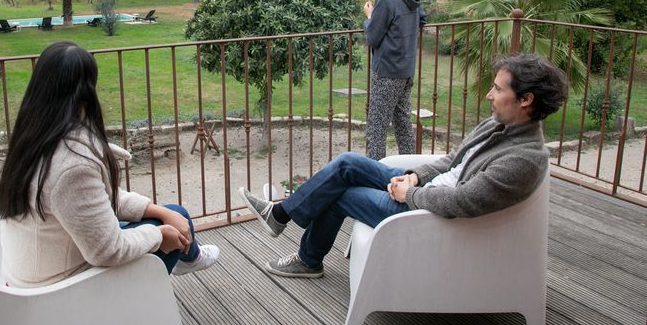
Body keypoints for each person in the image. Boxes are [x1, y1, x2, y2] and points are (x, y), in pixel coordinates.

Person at [240, 53, 568, 278]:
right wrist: (414, 175)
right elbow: (453, 162)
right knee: (347, 164)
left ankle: (308, 260)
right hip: (424, 191)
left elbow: (462, 201)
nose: (489, 95)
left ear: (526, 100)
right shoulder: (499, 125)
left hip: (428, 215)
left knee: (340, 193)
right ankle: (279, 215)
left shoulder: (523, 159)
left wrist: (408, 194)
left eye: (498, 89)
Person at [0, 41, 219, 288]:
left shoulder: (32, 138)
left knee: (174, 213)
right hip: (62, 289)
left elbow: (94, 199)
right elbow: (106, 250)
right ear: (86, 90)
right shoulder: (72, 165)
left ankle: (189, 256)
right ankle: (187, 258)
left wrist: (160, 211)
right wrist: (159, 236)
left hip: (34, 273)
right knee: (173, 225)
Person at [363, 0, 426, 160]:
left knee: (376, 130)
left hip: (388, 71)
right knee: (402, 124)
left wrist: (369, 17)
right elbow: (422, 19)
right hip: (406, 69)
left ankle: (374, 178)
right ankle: (411, 172)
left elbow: (372, 37)